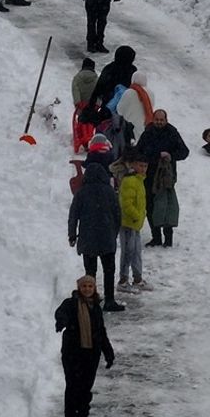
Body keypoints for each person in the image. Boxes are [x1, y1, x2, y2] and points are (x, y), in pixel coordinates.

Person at [54, 275, 115, 417]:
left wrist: (108, 352)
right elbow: (61, 313)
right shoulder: (71, 303)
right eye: (84, 286)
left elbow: (101, 332)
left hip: (91, 354)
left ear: (94, 288)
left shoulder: (96, 307)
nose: (87, 289)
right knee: (73, 386)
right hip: (73, 353)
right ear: (79, 288)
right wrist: (62, 322)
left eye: (90, 286)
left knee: (86, 388)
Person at [68, 163, 125, 312]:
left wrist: (72, 235)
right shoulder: (110, 192)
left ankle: (90, 300)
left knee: (90, 271)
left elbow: (73, 215)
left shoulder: (81, 193)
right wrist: (114, 232)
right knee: (109, 270)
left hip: (88, 239)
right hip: (106, 238)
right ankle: (110, 300)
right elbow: (118, 214)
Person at [135, 109, 189, 248]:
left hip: (166, 177)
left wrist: (170, 155)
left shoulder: (172, 132)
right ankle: (156, 237)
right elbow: (138, 151)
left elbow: (184, 152)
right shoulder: (148, 133)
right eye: (157, 120)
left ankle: (168, 239)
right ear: (153, 119)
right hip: (149, 176)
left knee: (166, 207)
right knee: (150, 206)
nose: (159, 122)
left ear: (166, 120)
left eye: (161, 120)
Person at [118, 152, 149, 288]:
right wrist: (136, 215)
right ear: (133, 165)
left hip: (135, 224)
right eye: (141, 166)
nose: (143, 169)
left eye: (145, 166)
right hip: (128, 223)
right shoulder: (130, 181)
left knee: (136, 252)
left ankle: (138, 278)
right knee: (128, 253)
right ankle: (123, 280)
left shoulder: (139, 180)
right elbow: (126, 204)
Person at [115, 71, 154, 143]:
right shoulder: (151, 93)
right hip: (144, 126)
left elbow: (119, 110)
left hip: (128, 128)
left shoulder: (129, 92)